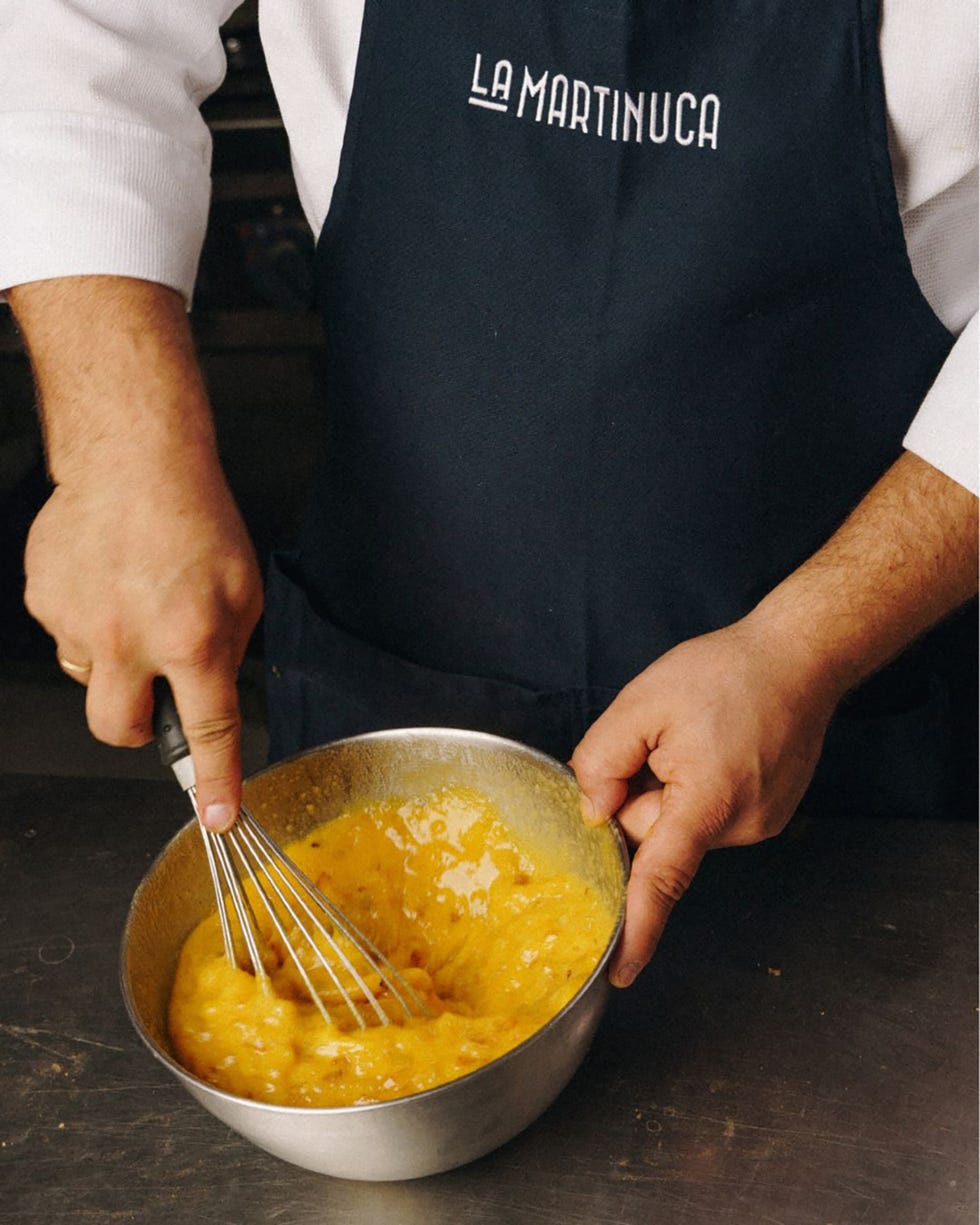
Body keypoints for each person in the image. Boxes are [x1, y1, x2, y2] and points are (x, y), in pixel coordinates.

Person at [2, 0, 976, 989]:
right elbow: (81, 31)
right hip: (388, 670)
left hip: (847, 733)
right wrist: (119, 448)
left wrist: (807, 645)